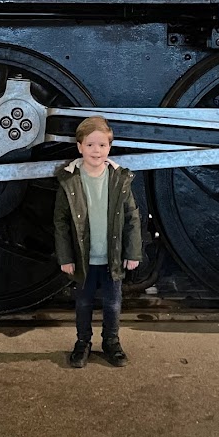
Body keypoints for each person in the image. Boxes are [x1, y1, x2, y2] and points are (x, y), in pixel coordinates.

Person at [53, 116, 142, 368]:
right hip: (84, 258)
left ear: (109, 148)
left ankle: (111, 342)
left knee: (113, 304)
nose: (96, 150)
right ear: (79, 146)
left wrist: (133, 252)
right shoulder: (69, 180)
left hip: (111, 257)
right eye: (90, 145)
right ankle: (83, 343)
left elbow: (132, 217)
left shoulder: (119, 179)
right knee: (83, 303)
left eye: (102, 145)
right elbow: (60, 221)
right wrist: (65, 257)